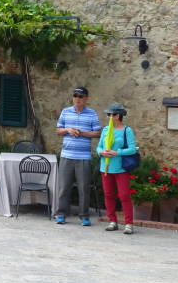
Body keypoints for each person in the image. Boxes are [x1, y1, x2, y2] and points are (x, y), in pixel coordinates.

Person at [54, 86, 102, 226]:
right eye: (75, 96)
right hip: (66, 155)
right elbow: (58, 130)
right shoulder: (65, 111)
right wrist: (68, 130)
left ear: (86, 98)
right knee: (64, 187)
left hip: (83, 157)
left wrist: (83, 133)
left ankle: (84, 216)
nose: (77, 99)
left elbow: (98, 133)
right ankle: (61, 214)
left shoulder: (92, 113)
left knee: (83, 188)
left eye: (80, 96)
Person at [96, 103, 137, 235]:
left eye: (111, 114)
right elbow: (98, 147)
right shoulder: (105, 130)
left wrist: (117, 152)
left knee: (124, 195)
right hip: (106, 167)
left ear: (118, 115)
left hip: (121, 168)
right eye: (108, 114)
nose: (109, 116)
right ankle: (112, 221)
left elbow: (132, 149)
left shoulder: (127, 130)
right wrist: (101, 152)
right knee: (108, 195)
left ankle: (129, 224)